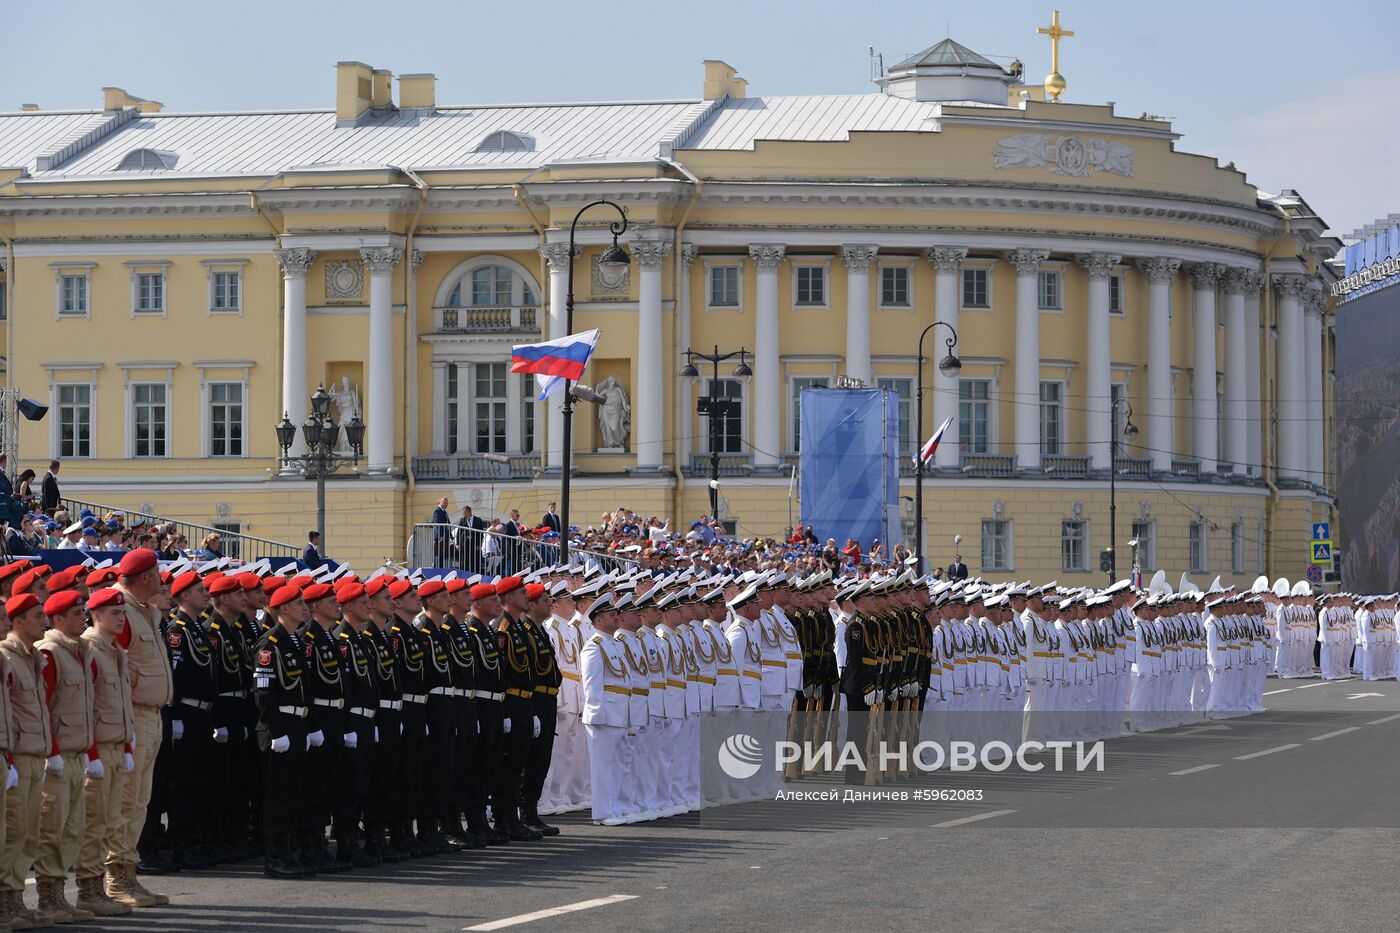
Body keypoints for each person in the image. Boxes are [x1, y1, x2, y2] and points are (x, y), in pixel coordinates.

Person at [109, 548, 173, 909]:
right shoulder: (124, 611)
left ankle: (129, 875)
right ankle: (116, 878)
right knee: (125, 802)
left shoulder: (147, 611)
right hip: (132, 716)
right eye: (157, 571)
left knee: (141, 802)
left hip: (152, 715)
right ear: (146, 576)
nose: (162, 578)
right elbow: (115, 671)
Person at [35, 589, 97, 923]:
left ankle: (59, 895)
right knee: (52, 830)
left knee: (73, 830)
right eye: (76, 613)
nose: (83, 618)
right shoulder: (51, 652)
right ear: (58, 619)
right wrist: (54, 752)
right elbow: (43, 707)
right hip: (58, 757)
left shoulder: (78, 650)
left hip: (78, 753)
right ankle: (48, 898)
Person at [76, 588, 136, 918]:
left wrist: (127, 744)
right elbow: (85, 707)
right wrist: (93, 752)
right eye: (114, 613)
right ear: (96, 615)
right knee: (94, 824)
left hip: (116, 746)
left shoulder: (116, 650)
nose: (121, 618)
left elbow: (120, 704)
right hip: (97, 751)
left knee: (111, 821)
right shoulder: (90, 649)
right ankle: (88, 890)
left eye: (123, 612)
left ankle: (99, 887)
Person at [1, 593, 55, 928]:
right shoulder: (7, 656)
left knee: (27, 834)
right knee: (12, 832)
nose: (44, 622)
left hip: (34, 752)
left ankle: (14, 899)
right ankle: (4, 903)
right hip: (16, 755)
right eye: (38, 616)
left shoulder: (31, 656)